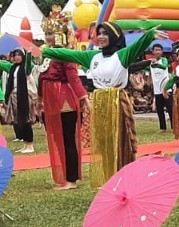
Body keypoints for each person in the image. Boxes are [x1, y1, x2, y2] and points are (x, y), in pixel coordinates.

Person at [42, 22, 158, 189]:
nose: (101, 37)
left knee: (121, 142)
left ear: (114, 37)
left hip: (117, 100)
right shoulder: (93, 57)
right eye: (100, 33)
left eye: (105, 33)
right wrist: (43, 50)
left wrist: (150, 35)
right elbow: (67, 54)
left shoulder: (122, 55)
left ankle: (125, 179)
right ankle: (111, 179)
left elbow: (138, 46)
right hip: (99, 103)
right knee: (104, 144)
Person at [37, 20, 89, 190]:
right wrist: (39, 99)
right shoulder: (47, 55)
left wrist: (83, 96)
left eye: (51, 33)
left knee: (67, 139)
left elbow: (73, 77)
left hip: (64, 100)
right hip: (50, 101)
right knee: (56, 138)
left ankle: (71, 179)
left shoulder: (65, 54)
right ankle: (65, 176)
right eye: (46, 34)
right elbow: (41, 78)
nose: (48, 37)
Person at [2, 48, 36, 154]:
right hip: (14, 95)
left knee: (26, 120)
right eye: (14, 55)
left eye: (19, 55)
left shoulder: (25, 68)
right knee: (19, 121)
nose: (16, 57)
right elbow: (9, 84)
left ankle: (30, 145)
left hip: (24, 96)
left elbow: (28, 65)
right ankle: (25, 144)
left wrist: (29, 54)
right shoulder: (13, 68)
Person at [149, 44, 171, 133]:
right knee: (159, 110)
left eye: (159, 50)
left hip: (166, 89)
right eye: (156, 50)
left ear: (162, 52)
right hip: (157, 89)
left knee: (170, 108)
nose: (158, 52)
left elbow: (165, 66)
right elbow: (148, 71)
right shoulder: (151, 62)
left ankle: (174, 127)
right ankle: (163, 128)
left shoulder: (164, 60)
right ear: (153, 51)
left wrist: (157, 64)